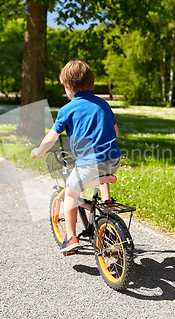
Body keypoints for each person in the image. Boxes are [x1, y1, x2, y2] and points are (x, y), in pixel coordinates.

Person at [31, 60, 121, 253]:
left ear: (68, 87)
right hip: (114, 160)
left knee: (71, 194)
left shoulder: (67, 109)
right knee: (100, 169)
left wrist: (39, 152)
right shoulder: (103, 104)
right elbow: (116, 131)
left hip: (88, 164)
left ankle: (71, 238)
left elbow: (51, 138)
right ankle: (106, 202)